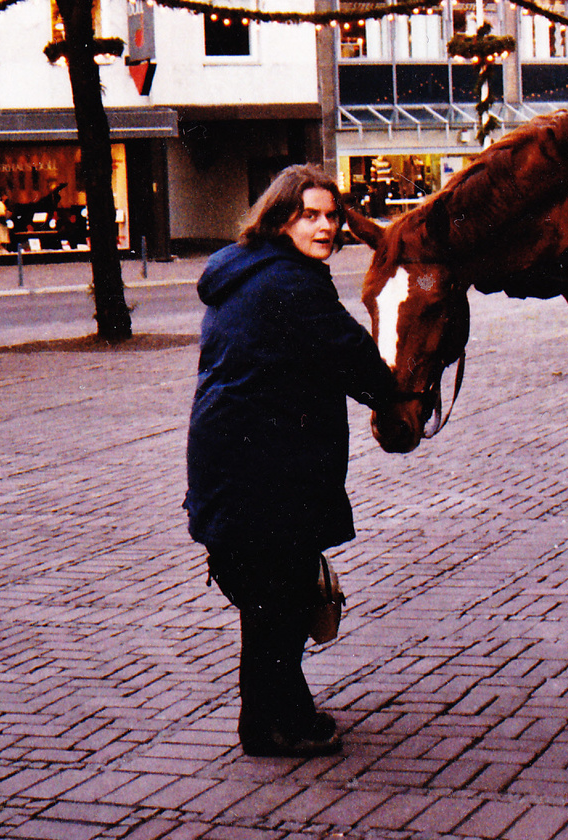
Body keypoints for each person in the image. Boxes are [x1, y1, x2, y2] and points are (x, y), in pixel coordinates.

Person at [185, 164, 397, 757]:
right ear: (281, 218)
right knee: (278, 599)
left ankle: (288, 712)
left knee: (275, 597)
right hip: (265, 471)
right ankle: (267, 728)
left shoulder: (242, 269)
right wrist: (397, 397)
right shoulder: (292, 283)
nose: (326, 226)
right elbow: (351, 353)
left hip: (233, 462)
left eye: (333, 216)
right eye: (310, 215)